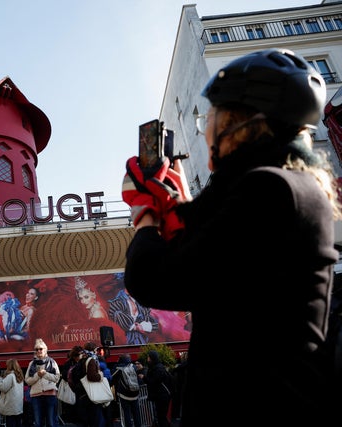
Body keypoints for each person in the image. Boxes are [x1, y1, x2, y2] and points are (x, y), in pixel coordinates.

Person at [121, 48, 339, 426]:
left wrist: (145, 215)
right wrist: (172, 198)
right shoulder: (283, 183)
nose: (206, 128)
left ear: (238, 123)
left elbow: (156, 278)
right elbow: (209, 241)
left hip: (259, 406)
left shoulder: (269, 189)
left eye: (212, 117)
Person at [24, 338, 60, 427]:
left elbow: (57, 378)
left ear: (45, 350)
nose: (39, 351)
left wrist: (45, 374)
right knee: (38, 423)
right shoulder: (31, 364)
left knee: (51, 423)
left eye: (41, 349)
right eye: (37, 349)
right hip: (36, 396)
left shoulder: (52, 362)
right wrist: (37, 376)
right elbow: (27, 380)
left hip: (50, 395)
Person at [112, 354, 142, 427]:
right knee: (136, 413)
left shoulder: (118, 368)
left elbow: (112, 377)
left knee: (126, 413)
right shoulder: (134, 367)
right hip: (135, 394)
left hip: (124, 395)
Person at [143, 351, 171, 427]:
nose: (147, 359)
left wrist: (144, 377)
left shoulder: (158, 369)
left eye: (149, 357)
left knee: (161, 417)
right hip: (160, 396)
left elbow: (154, 381)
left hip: (162, 396)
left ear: (152, 358)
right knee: (160, 417)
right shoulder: (156, 367)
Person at [0, 358, 25, 427]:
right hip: (18, 405)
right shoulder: (20, 376)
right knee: (18, 423)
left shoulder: (11, 376)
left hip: (11, 405)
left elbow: (3, 387)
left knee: (11, 423)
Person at [59, 345, 84, 423]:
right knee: (72, 407)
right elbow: (64, 375)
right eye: (76, 355)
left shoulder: (83, 362)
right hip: (72, 388)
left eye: (79, 354)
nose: (78, 357)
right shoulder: (68, 363)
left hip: (81, 389)